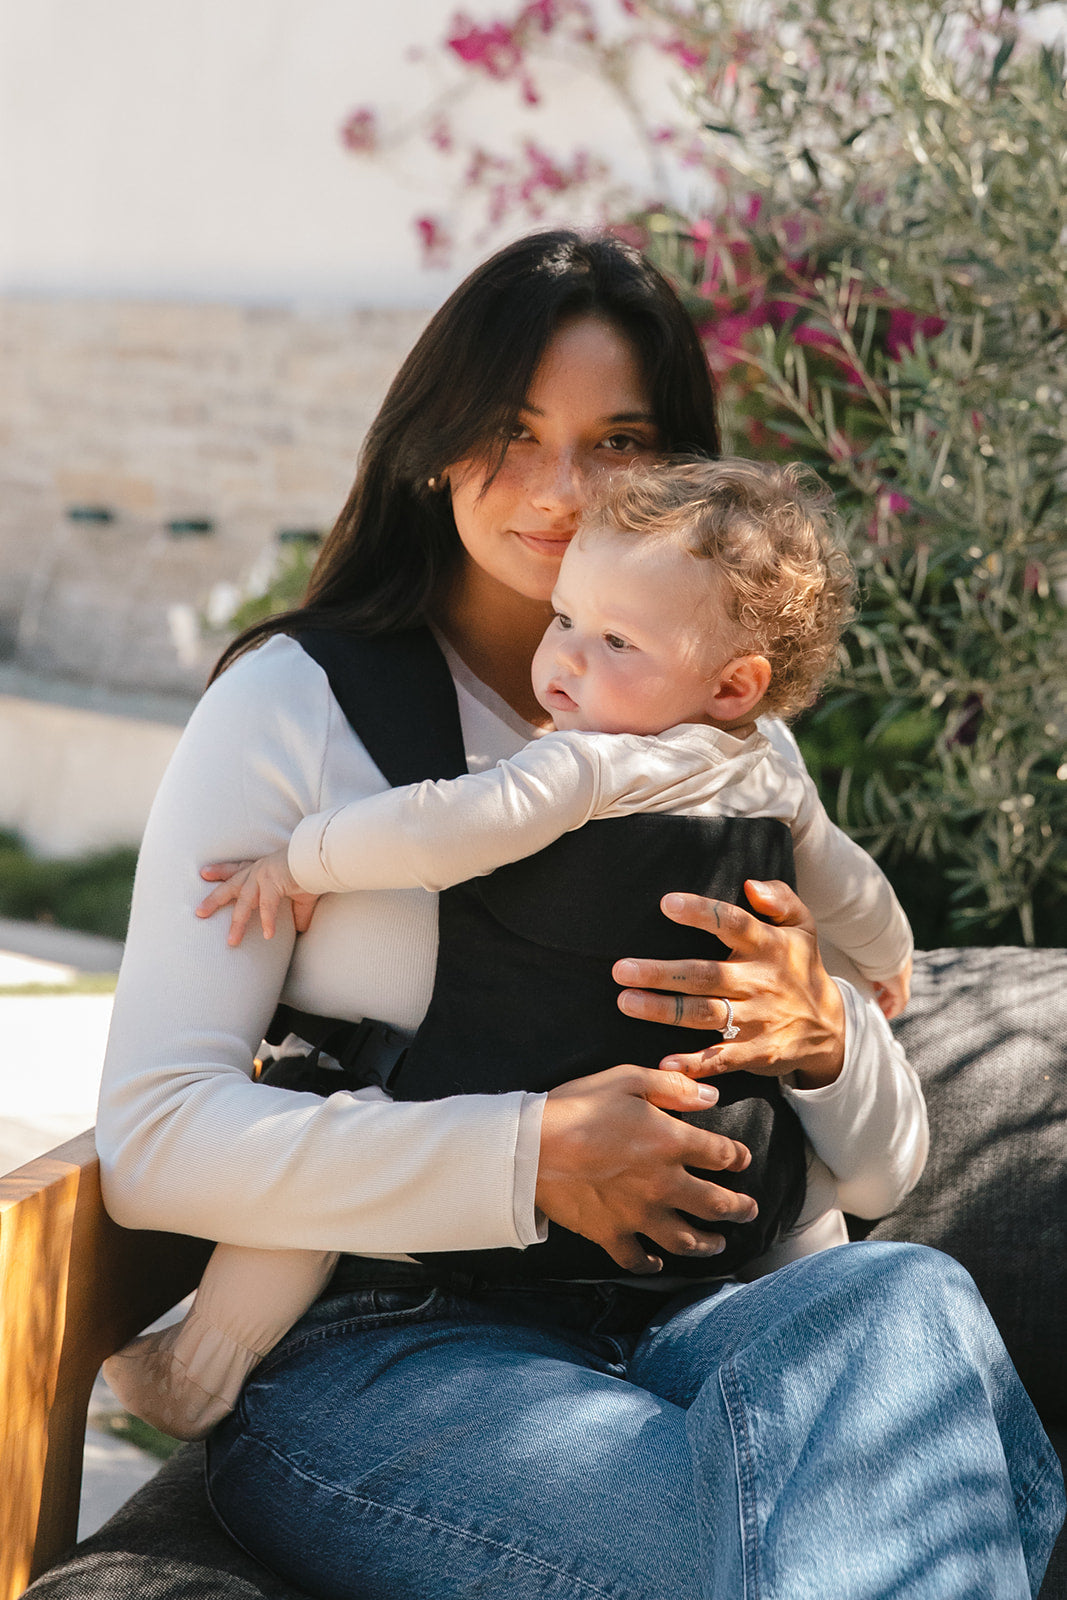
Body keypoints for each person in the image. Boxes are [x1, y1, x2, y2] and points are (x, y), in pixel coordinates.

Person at [95, 231, 1064, 1598]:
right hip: (403, 1344)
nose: (559, 491)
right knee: (862, 1517)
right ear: (434, 441)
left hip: (713, 1318)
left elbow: (879, 1177)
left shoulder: (719, 735)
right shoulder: (297, 708)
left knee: (901, 1300)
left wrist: (830, 1036)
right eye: (511, 430)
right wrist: (524, 1153)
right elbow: (153, 1138)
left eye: (617, 442)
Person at [103, 455, 917, 1442]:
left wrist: (305, 861)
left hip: (606, 1185)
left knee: (334, 1147)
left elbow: (439, 829)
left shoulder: (586, 764)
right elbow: (848, 884)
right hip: (668, 1184)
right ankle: (833, 1371)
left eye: (614, 640)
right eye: (563, 619)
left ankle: (198, 1372)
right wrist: (886, 957)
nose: (564, 659)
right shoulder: (767, 777)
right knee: (820, 1243)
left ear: (733, 684)